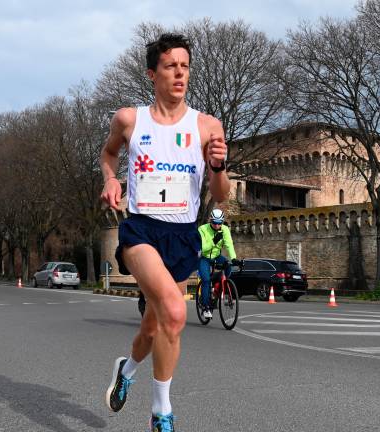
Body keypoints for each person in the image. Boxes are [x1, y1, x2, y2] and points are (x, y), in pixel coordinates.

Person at [99, 33, 230, 431]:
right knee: (175, 312)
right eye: (171, 66)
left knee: (154, 326)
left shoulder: (207, 126)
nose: (180, 73)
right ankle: (162, 413)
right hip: (141, 230)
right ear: (152, 73)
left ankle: (127, 370)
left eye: (185, 66)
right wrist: (109, 180)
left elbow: (220, 197)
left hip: (182, 234)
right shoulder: (129, 119)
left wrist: (220, 167)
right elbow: (108, 154)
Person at [197, 209, 238, 319]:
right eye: (214, 222)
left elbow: (229, 245)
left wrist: (234, 258)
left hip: (216, 256)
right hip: (204, 258)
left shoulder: (224, 230)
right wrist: (214, 241)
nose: (217, 225)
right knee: (205, 280)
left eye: (219, 223)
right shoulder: (202, 229)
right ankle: (205, 307)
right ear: (210, 220)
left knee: (229, 266)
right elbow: (203, 248)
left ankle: (218, 287)